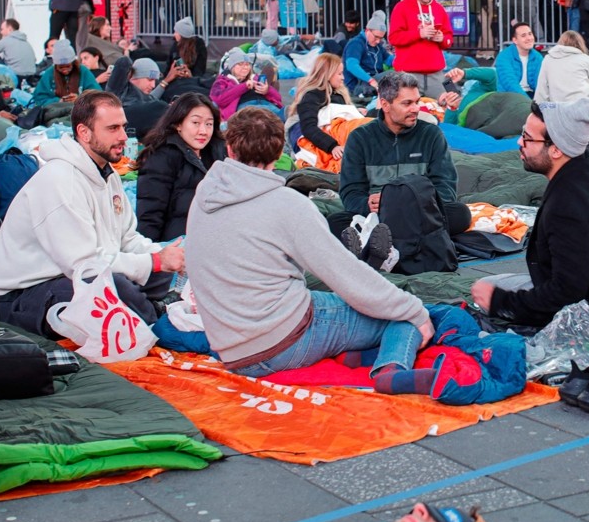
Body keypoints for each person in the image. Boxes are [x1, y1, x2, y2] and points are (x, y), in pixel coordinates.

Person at [183, 106, 435, 384]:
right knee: (401, 314)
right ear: (280, 153)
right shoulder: (288, 204)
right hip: (280, 341)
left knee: (340, 302)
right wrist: (413, 310)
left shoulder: (204, 196)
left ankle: (355, 352)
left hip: (229, 349)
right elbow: (346, 276)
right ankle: (392, 370)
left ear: (229, 149)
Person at [0, 91, 183, 336]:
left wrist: (164, 257)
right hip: (21, 296)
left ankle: (149, 310)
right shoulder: (61, 180)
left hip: (74, 274)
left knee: (156, 271)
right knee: (112, 287)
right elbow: (85, 266)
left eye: (123, 127)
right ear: (84, 133)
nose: (123, 137)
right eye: (112, 128)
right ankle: (155, 320)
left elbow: (128, 240)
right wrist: (154, 261)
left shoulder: (107, 174)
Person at [470, 98, 589, 327]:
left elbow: (567, 293)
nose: (519, 142)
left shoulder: (567, 206)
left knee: (485, 289)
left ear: (556, 150)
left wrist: (500, 301)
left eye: (527, 138)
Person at [338, 72, 471, 237]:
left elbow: (446, 187)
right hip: (377, 214)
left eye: (417, 102)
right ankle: (400, 236)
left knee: (460, 214)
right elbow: (350, 191)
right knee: (335, 222)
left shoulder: (431, 134)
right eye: (407, 103)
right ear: (385, 105)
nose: (415, 109)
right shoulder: (360, 138)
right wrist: (367, 204)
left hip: (419, 211)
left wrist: (407, 202)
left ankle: (383, 238)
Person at [136, 93, 225, 242]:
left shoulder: (217, 154)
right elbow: (150, 214)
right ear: (178, 124)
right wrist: (153, 257)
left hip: (211, 243)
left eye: (209, 124)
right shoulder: (161, 157)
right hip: (176, 247)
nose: (203, 131)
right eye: (196, 123)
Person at [388, 0, 453, 100]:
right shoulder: (401, 8)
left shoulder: (439, 9)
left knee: (449, 107)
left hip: (436, 73)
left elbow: (449, 39)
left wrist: (442, 38)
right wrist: (419, 34)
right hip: (408, 73)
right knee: (408, 113)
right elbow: (394, 38)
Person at [286, 53, 354, 163]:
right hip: (302, 132)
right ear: (328, 74)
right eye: (340, 74)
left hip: (322, 129)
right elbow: (308, 127)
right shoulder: (311, 96)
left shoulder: (338, 93)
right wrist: (332, 146)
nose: (343, 78)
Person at [534, 30, 589, 106]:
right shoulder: (587, 60)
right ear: (580, 43)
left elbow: (542, 89)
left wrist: (537, 108)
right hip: (584, 108)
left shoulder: (548, 59)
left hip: (557, 109)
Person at [210, 47, 282, 121]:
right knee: (258, 118)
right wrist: (244, 86)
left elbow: (278, 98)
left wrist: (267, 90)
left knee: (282, 114)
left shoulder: (255, 78)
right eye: (240, 64)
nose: (245, 67)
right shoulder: (223, 80)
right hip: (245, 107)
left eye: (247, 64)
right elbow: (219, 99)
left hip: (265, 104)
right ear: (232, 67)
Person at [32, 40, 101, 108]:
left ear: (73, 63)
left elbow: (98, 95)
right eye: (61, 67)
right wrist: (59, 101)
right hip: (56, 113)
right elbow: (39, 99)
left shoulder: (83, 71)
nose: (65, 70)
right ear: (56, 65)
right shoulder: (49, 74)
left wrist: (80, 98)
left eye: (68, 66)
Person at [343, 10, 393, 98]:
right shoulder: (356, 43)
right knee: (394, 75)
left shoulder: (378, 46)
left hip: (373, 82)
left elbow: (390, 60)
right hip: (357, 86)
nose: (378, 41)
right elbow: (351, 65)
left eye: (380, 38)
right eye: (376, 37)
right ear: (367, 31)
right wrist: (370, 80)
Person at [494, 22, 542, 98]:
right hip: (508, 96)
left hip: (532, 94)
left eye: (530, 34)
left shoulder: (538, 57)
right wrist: (529, 103)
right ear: (515, 40)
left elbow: (540, 83)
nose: (529, 38)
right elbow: (510, 84)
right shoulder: (504, 57)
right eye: (523, 36)